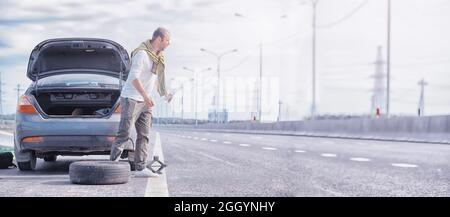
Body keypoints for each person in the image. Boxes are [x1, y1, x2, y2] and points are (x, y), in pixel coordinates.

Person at [110, 27, 173, 178]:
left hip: (145, 101)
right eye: (167, 40)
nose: (169, 44)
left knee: (144, 135)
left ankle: (140, 167)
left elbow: (155, 78)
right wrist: (145, 96)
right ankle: (111, 166)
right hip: (131, 98)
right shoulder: (142, 54)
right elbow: (134, 78)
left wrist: (165, 93)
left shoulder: (158, 57)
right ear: (159, 39)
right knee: (124, 134)